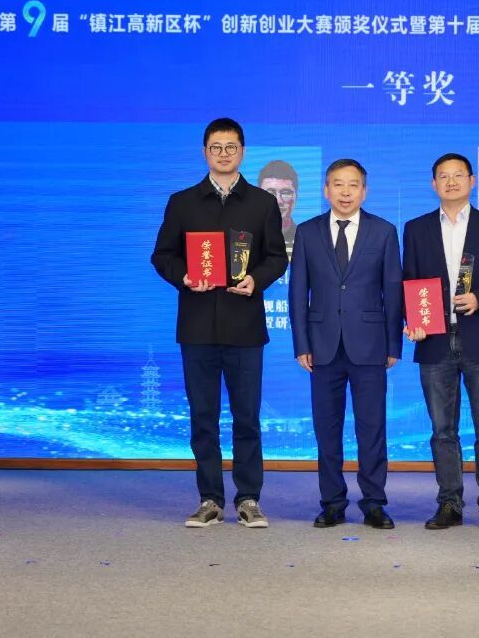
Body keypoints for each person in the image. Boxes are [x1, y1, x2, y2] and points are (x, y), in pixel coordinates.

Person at [151, 117, 288, 529]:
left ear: (242, 151)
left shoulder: (262, 203)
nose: (223, 153)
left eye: (231, 147)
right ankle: (209, 498)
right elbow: (162, 255)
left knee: (247, 418)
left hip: (245, 327)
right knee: (203, 417)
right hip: (197, 328)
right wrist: (184, 276)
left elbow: (277, 257)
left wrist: (256, 280)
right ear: (205, 152)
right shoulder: (183, 202)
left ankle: (249, 499)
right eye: (216, 147)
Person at [402, 153, 479, 532]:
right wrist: (413, 321)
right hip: (434, 342)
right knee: (442, 430)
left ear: (472, 181)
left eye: (458, 175)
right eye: (444, 176)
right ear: (433, 184)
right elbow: (410, 282)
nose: (451, 182)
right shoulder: (416, 228)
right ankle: (449, 503)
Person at [289, 159, 403, 530]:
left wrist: (393, 344)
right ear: (326, 190)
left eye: (353, 185)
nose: (345, 192)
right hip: (322, 346)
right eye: (338, 184)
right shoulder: (307, 232)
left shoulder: (383, 231)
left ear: (364, 191)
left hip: (370, 345)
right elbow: (297, 293)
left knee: (372, 428)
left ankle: (374, 503)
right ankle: (332, 503)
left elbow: (392, 291)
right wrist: (301, 343)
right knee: (327, 429)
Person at [258, 160, 299, 260]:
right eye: (270, 193)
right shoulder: (244, 238)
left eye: (285, 193)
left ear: (296, 197)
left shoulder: (307, 239)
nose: (278, 201)